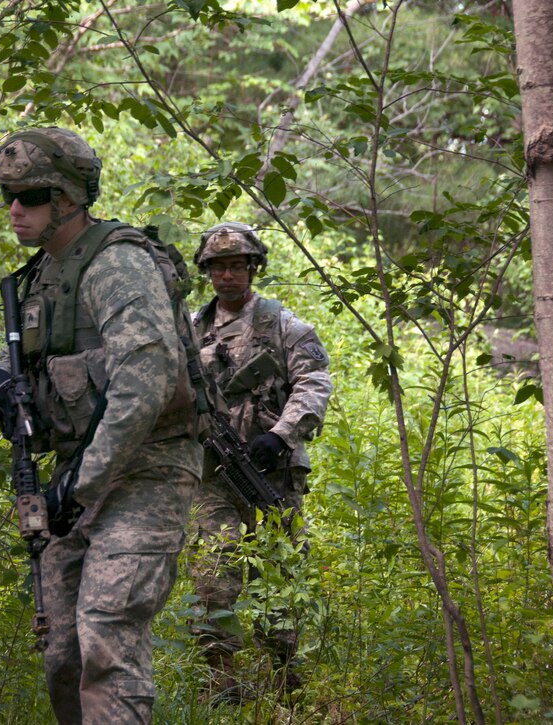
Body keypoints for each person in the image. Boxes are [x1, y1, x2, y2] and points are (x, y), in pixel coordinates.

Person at [0, 127, 202, 723]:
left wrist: (77, 485)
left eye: (29, 197)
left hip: (145, 470)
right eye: (7, 197)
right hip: (75, 475)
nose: (14, 211)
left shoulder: (117, 265)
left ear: (69, 199)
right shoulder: (47, 273)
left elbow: (145, 380)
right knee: (63, 653)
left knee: (106, 632)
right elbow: (25, 349)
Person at [187, 222, 332, 702]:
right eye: (218, 267)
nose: (227, 275)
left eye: (236, 265)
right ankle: (222, 685)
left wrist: (280, 435)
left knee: (278, 578)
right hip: (213, 477)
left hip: (273, 475)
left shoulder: (285, 326)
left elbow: (314, 386)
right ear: (207, 272)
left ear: (253, 268)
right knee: (212, 577)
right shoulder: (190, 331)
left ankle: (287, 686)